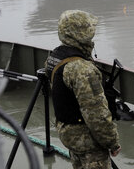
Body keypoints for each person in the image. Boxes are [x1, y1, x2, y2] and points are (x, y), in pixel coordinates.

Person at [46, 10, 121, 169]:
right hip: (86, 140)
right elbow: (96, 115)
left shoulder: (55, 57)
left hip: (68, 134)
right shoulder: (82, 70)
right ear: (81, 34)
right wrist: (112, 142)